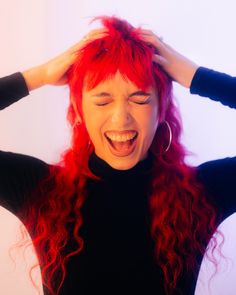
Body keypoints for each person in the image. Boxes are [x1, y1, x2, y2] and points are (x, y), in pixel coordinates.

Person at [0, 16, 235, 295]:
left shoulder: (198, 195)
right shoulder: (41, 191)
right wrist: (39, 75)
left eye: (140, 99)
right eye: (102, 100)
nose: (121, 120)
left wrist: (196, 76)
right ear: (79, 109)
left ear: (162, 109)